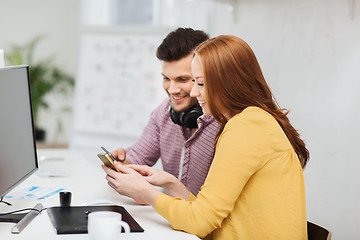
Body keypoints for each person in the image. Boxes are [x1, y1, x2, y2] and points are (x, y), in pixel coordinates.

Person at [103, 35, 309, 239]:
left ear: (228, 83)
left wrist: (145, 192)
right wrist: (171, 184)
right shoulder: (251, 121)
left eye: (199, 83)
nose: (194, 92)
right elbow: (208, 215)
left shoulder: (247, 127)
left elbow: (199, 222)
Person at [111, 28, 219, 196]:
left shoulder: (225, 124)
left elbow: (212, 210)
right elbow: (138, 156)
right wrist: (120, 163)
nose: (172, 89)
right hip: (170, 217)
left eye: (182, 79)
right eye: (166, 79)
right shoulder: (164, 112)